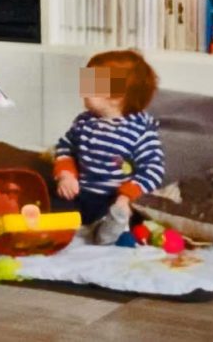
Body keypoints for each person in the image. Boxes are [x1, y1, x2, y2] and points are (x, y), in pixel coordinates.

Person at [49, 49, 166, 244]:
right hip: (80, 192)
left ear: (116, 96)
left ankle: (109, 229)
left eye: (91, 84)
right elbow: (65, 147)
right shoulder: (84, 122)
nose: (82, 90)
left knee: (121, 214)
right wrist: (66, 175)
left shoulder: (140, 131)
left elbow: (153, 170)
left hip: (113, 197)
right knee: (55, 200)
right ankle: (63, 228)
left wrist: (126, 197)